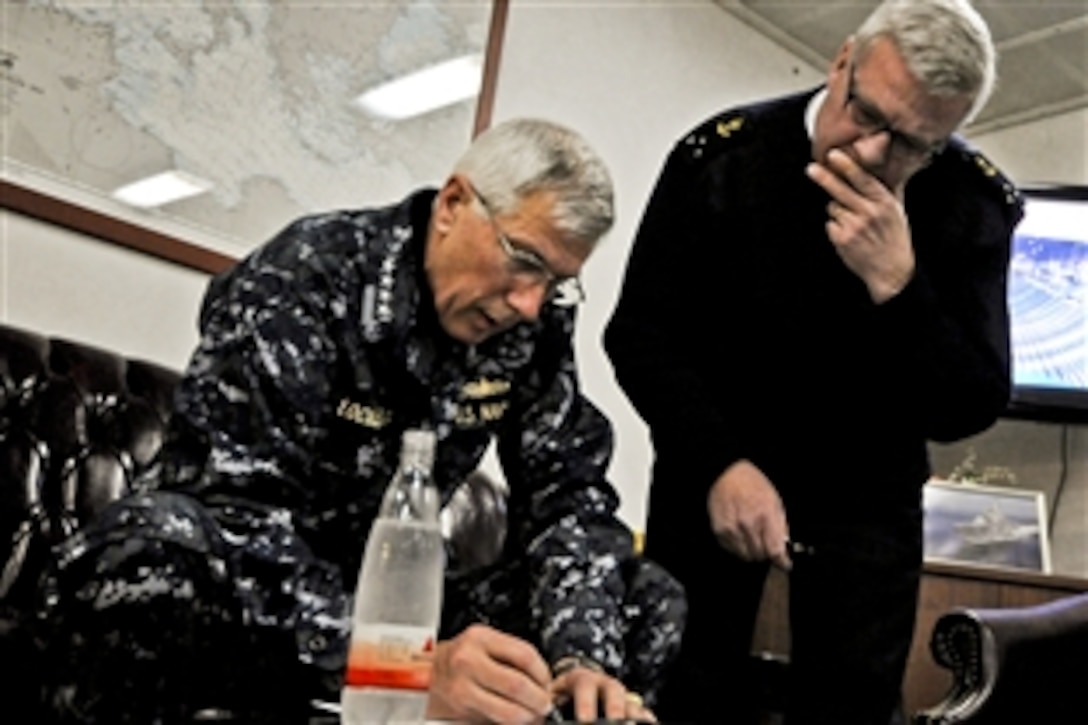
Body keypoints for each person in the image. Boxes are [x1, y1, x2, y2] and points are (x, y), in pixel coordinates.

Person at [37, 118, 685, 724]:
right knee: (151, 542)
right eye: (524, 259)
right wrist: (401, 665)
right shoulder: (306, 276)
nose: (530, 301)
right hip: (253, 599)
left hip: (397, 597)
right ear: (454, 204)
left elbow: (568, 496)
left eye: (558, 282)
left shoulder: (529, 328)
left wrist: (583, 657)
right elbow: (239, 513)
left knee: (645, 593)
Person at [604, 1, 1022, 723]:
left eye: (912, 144)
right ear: (841, 63)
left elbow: (971, 402)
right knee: (684, 696)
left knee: (851, 710)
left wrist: (899, 286)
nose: (870, 153)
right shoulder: (720, 158)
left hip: (866, 515)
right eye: (866, 113)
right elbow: (641, 334)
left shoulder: (971, 202)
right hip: (709, 484)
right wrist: (720, 462)